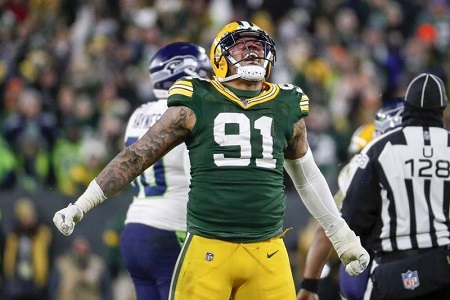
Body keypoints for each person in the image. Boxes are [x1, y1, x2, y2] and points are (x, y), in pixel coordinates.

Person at [53, 21, 369, 300]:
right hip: (209, 246)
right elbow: (135, 157)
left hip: (268, 249)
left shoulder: (286, 103)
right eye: (243, 48)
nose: (253, 55)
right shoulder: (196, 100)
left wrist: (340, 234)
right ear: (218, 58)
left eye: (258, 49)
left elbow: (308, 177)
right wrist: (82, 203)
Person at [341, 72, 450, 300]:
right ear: (442, 109)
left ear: (407, 106)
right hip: (443, 267)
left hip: (391, 268)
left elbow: (353, 217)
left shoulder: (378, 149)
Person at [118, 42, 211, 300]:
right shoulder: (186, 114)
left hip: (135, 228)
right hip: (170, 230)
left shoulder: (138, 113)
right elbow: (198, 177)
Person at [297, 98, 404, 300]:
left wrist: (309, 283)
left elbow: (327, 228)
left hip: (378, 264)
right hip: (430, 260)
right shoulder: (437, 150)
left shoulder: (361, 164)